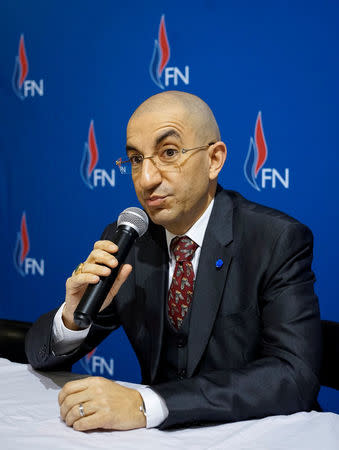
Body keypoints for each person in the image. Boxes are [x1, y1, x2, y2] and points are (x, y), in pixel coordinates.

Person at [25, 91, 322, 432]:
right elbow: (40, 352)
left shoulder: (274, 239)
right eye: (136, 160)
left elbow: (294, 375)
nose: (147, 179)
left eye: (168, 153)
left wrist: (147, 404)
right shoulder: (129, 239)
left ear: (214, 159)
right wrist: (74, 318)